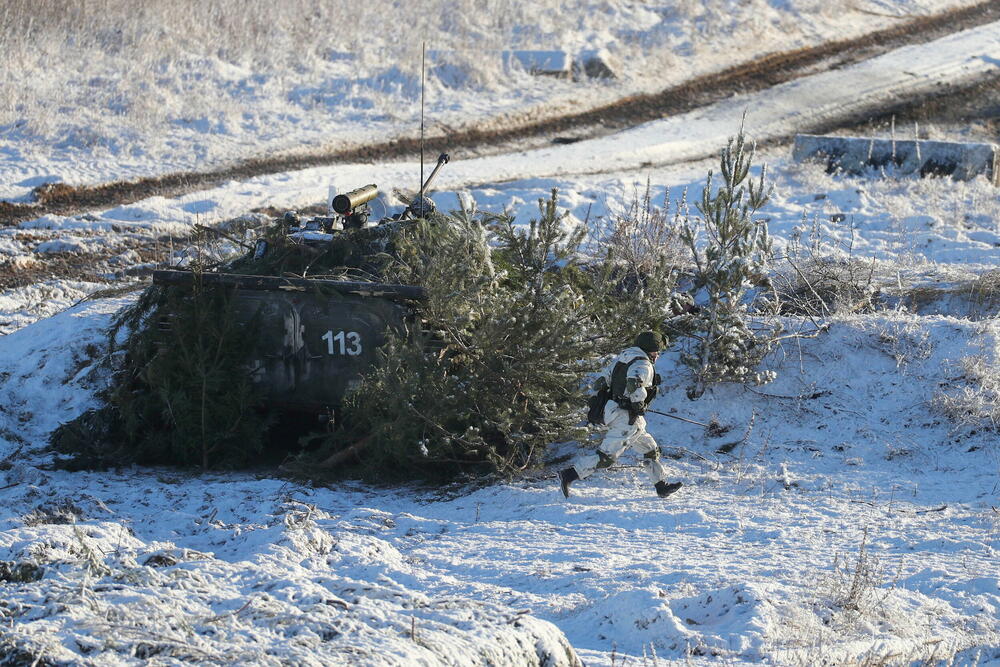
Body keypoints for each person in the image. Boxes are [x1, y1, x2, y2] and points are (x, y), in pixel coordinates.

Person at [559, 331, 683, 499]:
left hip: (619, 412)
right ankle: (569, 474)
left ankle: (661, 486)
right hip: (626, 419)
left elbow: (600, 382)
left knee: (650, 450)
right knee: (606, 457)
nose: (658, 355)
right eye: (656, 351)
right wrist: (638, 404)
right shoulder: (643, 364)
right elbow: (634, 383)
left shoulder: (624, 358)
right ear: (650, 350)